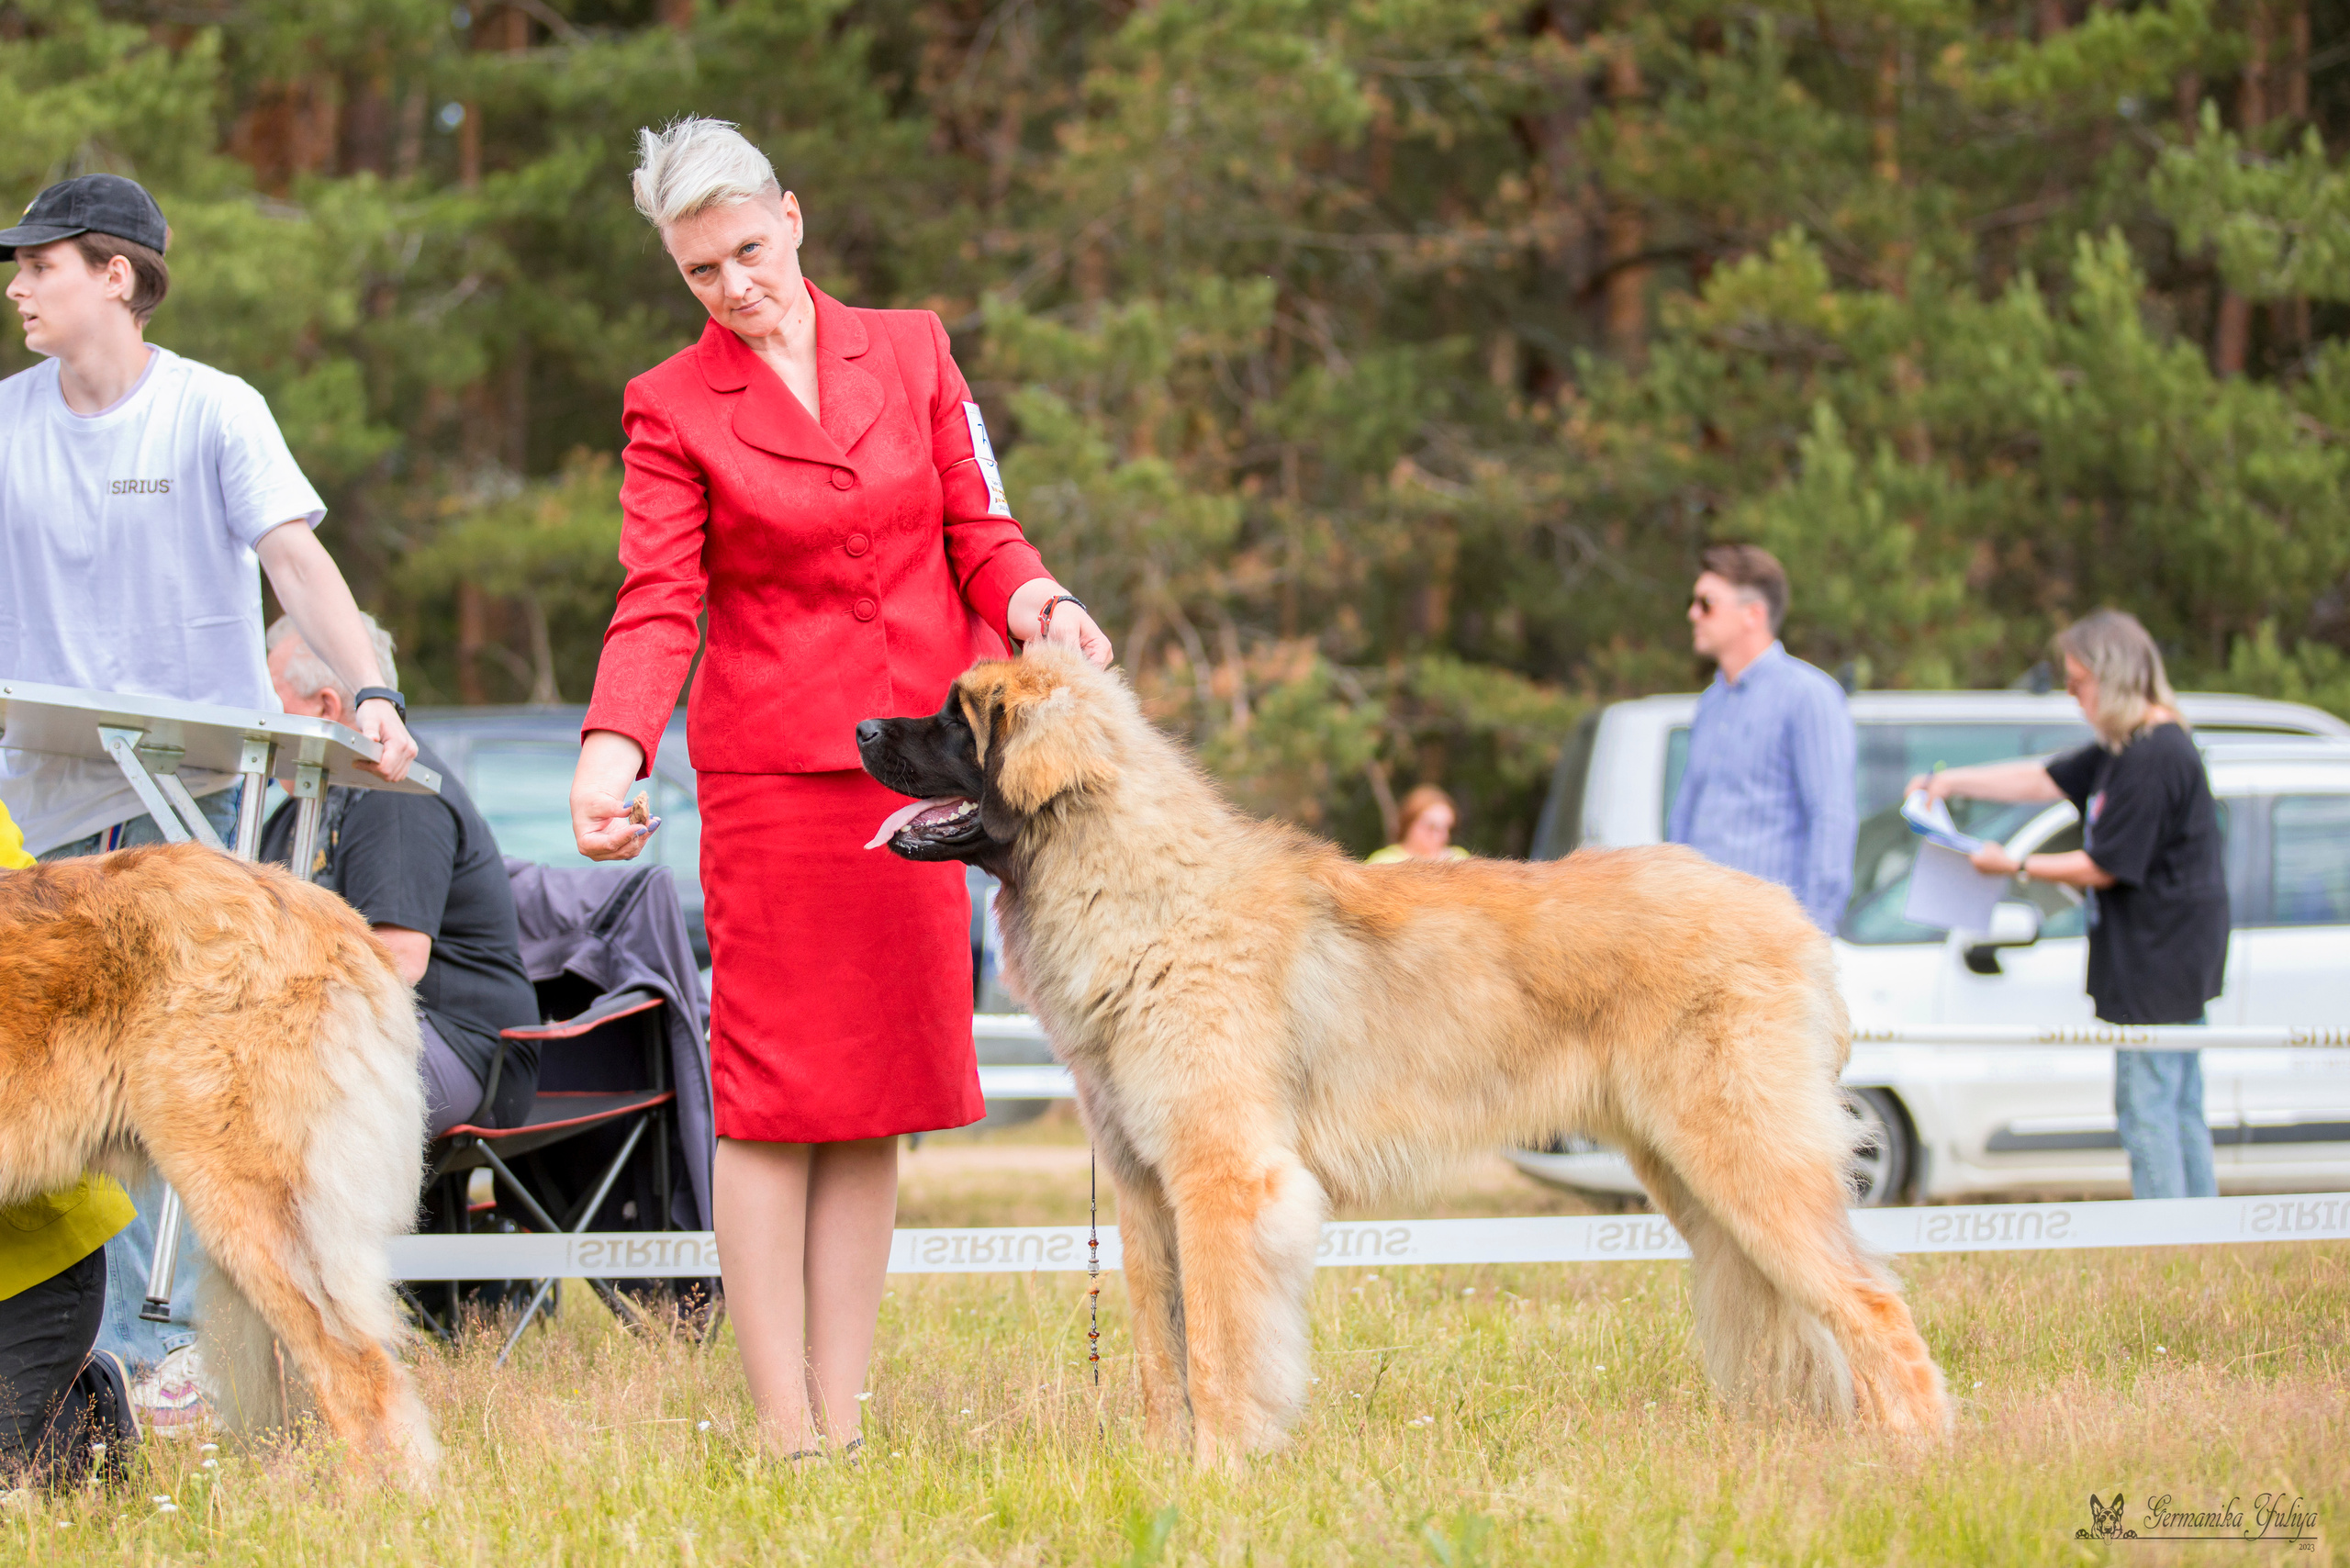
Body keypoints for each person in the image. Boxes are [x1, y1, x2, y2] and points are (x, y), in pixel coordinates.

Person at [567, 118, 1113, 1464]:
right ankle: (781, 1427)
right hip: (774, 781)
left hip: (932, 778)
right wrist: (614, 745)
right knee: (772, 1095)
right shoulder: (669, 405)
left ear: (794, 220)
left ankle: (842, 1418)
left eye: (747, 252)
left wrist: (1038, 600)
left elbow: (977, 527)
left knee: (877, 1092)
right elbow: (658, 602)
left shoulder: (916, 347)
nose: (732, 286)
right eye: (700, 272)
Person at [0, 174, 420, 1416]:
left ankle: (219, 1372)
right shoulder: (7, 420)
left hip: (198, 810)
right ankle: (130, 1372)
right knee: (86, 1117)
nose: (19, 287)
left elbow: (298, 557)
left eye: (41, 265)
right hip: (52, 808)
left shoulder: (212, 411)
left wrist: (373, 693)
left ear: (115, 276)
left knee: (213, 1136)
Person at [1908, 610, 2225, 1200]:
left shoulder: (2156, 756)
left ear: (2114, 677)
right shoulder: (2120, 749)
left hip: (2160, 966)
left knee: (2149, 1109)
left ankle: (2170, 1237)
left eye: (2079, 684)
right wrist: (1950, 783)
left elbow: (2106, 865)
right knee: (2175, 1104)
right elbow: (2042, 778)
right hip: (2155, 960)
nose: (2073, 696)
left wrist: (2016, 865)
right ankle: (2194, 1227)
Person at [262, 616, 541, 1137]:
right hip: (373, 1032)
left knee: (256, 1094)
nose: (259, 720)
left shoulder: (395, 794)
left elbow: (396, 961)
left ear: (326, 705)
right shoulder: (295, 807)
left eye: (269, 701)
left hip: (462, 1043)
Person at [1666, 543, 1857, 932]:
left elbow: (1831, 817)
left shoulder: (1809, 696)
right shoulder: (1710, 703)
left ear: (1752, 613)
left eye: (1706, 603)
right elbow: (1685, 818)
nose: (1692, 614)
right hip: (1702, 934)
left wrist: (1814, 931)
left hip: (1771, 940)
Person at [1368, 784, 1470, 862]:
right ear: (1409, 823)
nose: (1442, 836)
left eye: (1447, 828)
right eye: (1432, 827)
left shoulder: (1459, 859)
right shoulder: (1384, 861)